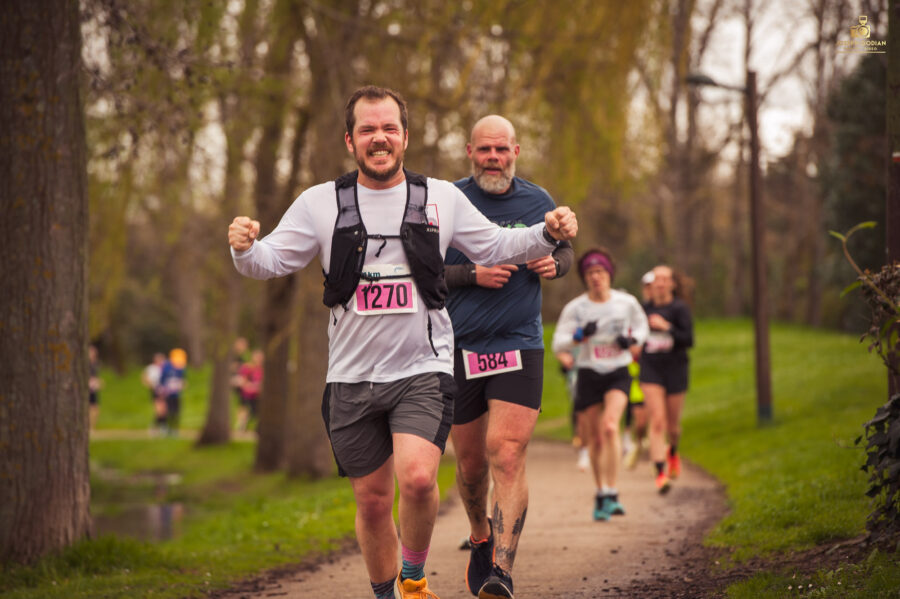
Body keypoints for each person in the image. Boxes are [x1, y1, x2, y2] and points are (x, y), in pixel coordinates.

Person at [226, 86, 578, 599]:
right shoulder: (321, 203)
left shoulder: (440, 197)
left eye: (389, 128)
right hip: (351, 377)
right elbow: (270, 261)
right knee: (372, 501)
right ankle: (386, 593)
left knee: (416, 479)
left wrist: (545, 234)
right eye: (367, 129)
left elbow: (497, 244)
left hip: (422, 369)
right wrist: (244, 247)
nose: (380, 138)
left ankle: (413, 578)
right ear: (350, 140)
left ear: (405, 137)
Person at [443, 115, 574, 599]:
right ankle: (480, 535)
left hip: (519, 343)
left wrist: (554, 264)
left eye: (502, 149)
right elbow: (421, 270)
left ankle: (502, 569)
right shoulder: (447, 201)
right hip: (459, 347)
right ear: (469, 151)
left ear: (516, 151)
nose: (493, 158)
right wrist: (472, 275)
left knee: (507, 450)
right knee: (471, 464)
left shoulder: (538, 201)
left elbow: (566, 252)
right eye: (485, 150)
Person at [552, 249, 648, 521]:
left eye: (601, 272)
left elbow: (642, 328)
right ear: (585, 277)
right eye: (590, 273)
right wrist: (579, 336)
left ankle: (613, 491)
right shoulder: (576, 308)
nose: (596, 277)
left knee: (610, 426)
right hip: (589, 372)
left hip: (618, 370)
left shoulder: (626, 302)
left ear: (609, 274)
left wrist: (631, 341)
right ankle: (601, 491)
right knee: (594, 437)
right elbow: (558, 343)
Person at [639, 265, 694, 494]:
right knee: (658, 421)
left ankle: (673, 451)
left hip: (675, 369)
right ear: (651, 284)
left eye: (664, 279)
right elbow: (634, 336)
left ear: (672, 284)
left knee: (673, 427)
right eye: (656, 279)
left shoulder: (680, 308)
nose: (660, 283)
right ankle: (660, 473)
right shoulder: (643, 309)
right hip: (651, 369)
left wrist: (667, 327)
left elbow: (688, 340)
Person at [158, 348, 187, 437]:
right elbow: (162, 380)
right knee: (168, 411)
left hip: (176, 394)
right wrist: (162, 390)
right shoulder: (166, 367)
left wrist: (181, 384)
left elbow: (182, 380)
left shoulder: (180, 368)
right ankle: (167, 428)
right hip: (168, 394)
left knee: (176, 412)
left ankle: (175, 429)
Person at [235, 349, 264, 432]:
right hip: (247, 393)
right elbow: (242, 380)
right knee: (244, 408)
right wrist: (250, 386)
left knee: (256, 411)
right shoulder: (247, 367)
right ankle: (241, 426)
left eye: (260, 357)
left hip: (258, 394)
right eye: (257, 357)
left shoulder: (262, 369)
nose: (258, 359)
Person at [142, 352, 168, 435]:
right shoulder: (151, 368)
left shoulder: (165, 368)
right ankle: (155, 427)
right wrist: (152, 386)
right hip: (155, 391)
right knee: (159, 410)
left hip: (164, 391)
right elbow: (145, 378)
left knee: (164, 410)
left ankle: (163, 426)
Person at [88, 344, 103, 430]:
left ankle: (92, 426)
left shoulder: (96, 364)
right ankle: (88, 426)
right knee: (89, 408)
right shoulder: (86, 364)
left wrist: (99, 382)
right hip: (87, 389)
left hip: (93, 388)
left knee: (95, 408)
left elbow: (96, 376)